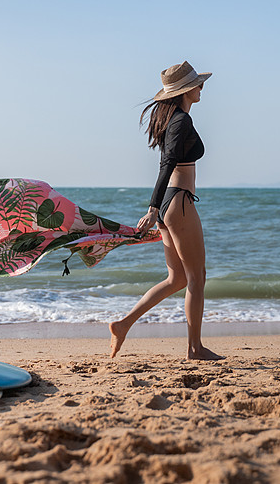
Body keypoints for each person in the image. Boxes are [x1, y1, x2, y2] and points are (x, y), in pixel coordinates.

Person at [109, 61, 223, 360]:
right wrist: (152, 207)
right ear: (186, 90)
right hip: (178, 204)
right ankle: (195, 348)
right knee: (197, 277)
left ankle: (123, 324)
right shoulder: (180, 121)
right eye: (198, 84)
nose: (201, 88)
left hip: (170, 206)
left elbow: (169, 161)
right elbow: (167, 163)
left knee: (178, 280)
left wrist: (157, 209)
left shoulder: (174, 119)